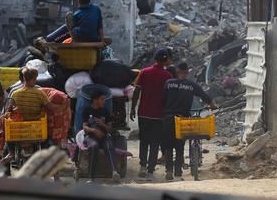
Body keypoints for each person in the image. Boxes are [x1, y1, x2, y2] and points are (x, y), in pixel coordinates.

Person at [162, 62, 218, 181]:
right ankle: (177, 174)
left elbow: (163, 99)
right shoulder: (191, 85)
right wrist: (212, 105)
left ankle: (169, 171)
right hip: (182, 119)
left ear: (177, 71)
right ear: (187, 73)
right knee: (179, 146)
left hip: (168, 118)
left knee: (168, 146)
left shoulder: (168, 83)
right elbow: (203, 95)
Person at [130, 48, 172, 180]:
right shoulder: (168, 76)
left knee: (144, 141)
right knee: (155, 143)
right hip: (159, 114)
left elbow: (137, 90)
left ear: (155, 59)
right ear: (166, 60)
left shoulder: (144, 72)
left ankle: (142, 166)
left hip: (143, 112)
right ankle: (150, 172)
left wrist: (132, 108)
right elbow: (168, 97)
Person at [81, 92, 120, 182]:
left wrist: (103, 124)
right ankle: (91, 177)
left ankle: (114, 172)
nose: (104, 101)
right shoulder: (87, 110)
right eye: (102, 99)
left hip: (103, 137)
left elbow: (110, 129)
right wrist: (94, 130)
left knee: (109, 145)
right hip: (91, 137)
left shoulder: (105, 112)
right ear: (95, 100)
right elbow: (85, 127)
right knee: (94, 146)